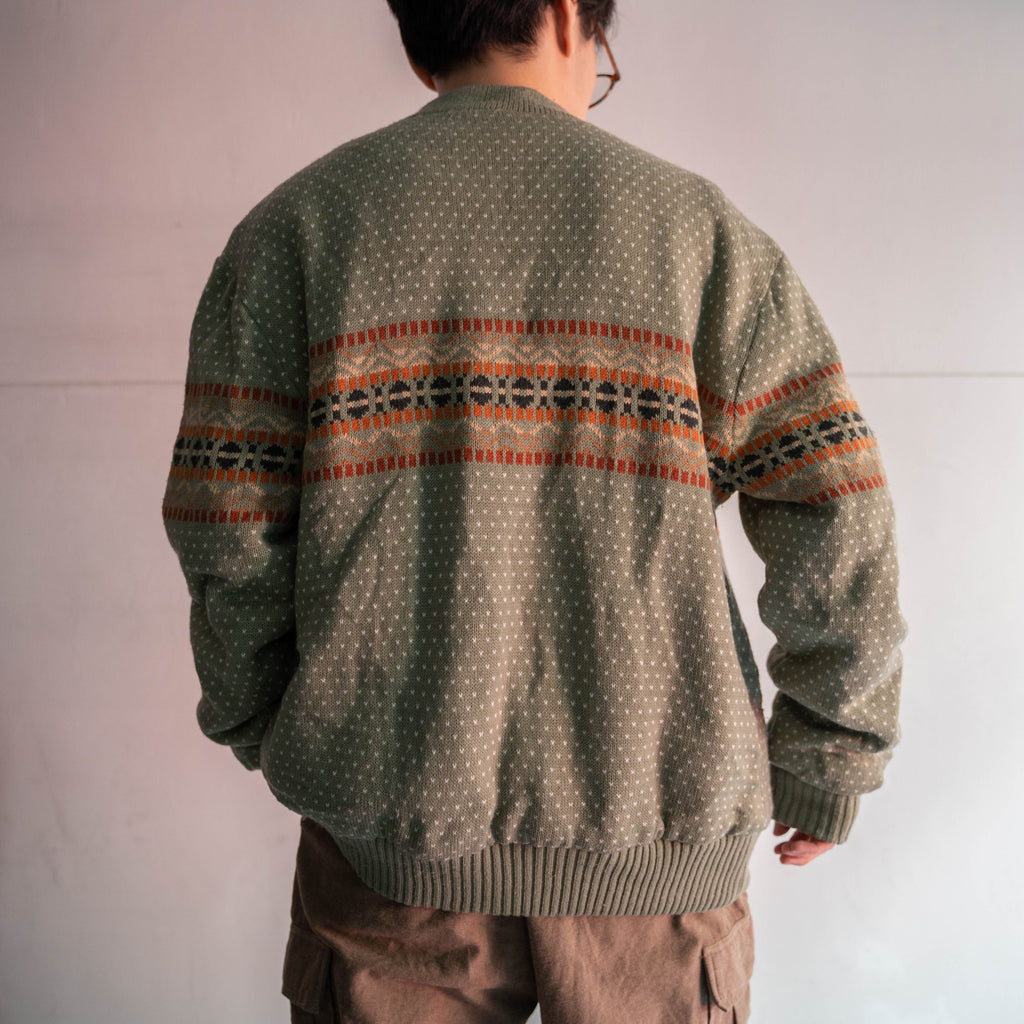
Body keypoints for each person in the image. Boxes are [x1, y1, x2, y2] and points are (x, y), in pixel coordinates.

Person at [162, 1, 907, 1020]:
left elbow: (225, 521)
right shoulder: (693, 229)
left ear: (418, 40)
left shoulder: (297, 229)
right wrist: (829, 750)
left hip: (388, 863)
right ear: (569, 14)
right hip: (657, 874)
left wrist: (280, 726)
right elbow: (833, 501)